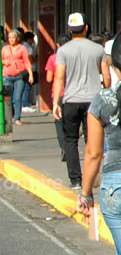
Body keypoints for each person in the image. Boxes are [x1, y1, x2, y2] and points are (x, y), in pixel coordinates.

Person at [77, 32, 121, 255]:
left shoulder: (103, 101)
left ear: (113, 65)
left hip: (115, 185)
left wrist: (85, 195)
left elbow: (93, 153)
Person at [53, 12, 111, 189]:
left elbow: (59, 78)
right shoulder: (98, 49)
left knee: (70, 140)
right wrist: (107, 95)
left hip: (70, 100)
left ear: (70, 30)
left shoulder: (63, 50)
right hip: (93, 100)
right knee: (92, 139)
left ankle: (76, 180)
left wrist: (56, 102)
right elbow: (106, 76)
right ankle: (92, 177)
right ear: (86, 28)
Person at [45, 34, 70, 162]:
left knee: (59, 122)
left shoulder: (53, 58)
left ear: (58, 45)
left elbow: (49, 79)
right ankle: (72, 147)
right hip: (72, 93)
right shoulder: (73, 57)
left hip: (58, 94)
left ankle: (64, 148)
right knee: (71, 122)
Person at [1, 29, 33, 126]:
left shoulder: (22, 48)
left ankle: (17, 118)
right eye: (9, 38)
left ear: (17, 38)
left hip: (19, 77)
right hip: (7, 76)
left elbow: (27, 61)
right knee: (8, 98)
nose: (11, 39)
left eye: (13, 38)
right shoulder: (5, 48)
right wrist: (3, 62)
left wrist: (30, 74)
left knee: (18, 97)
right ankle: (10, 115)